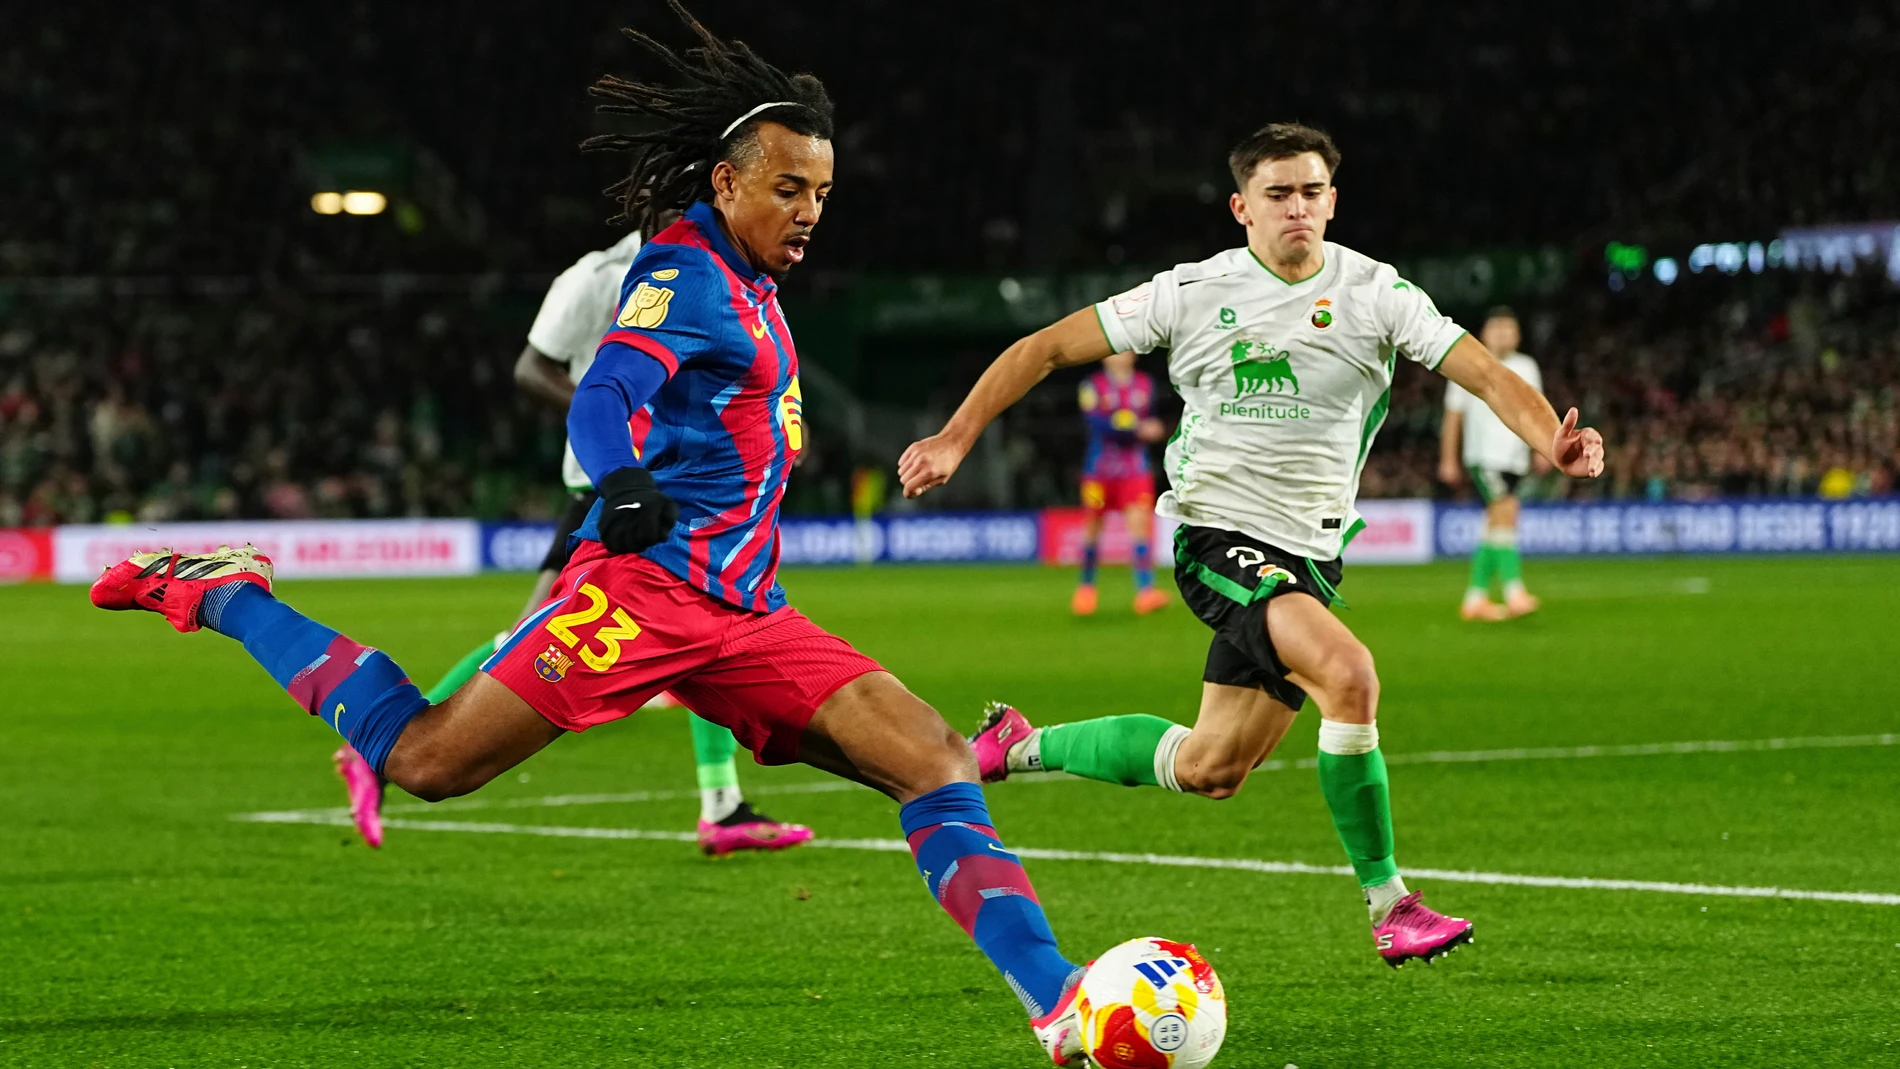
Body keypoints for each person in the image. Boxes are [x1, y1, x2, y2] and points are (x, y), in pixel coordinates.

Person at [92, 6, 1104, 1062]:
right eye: (787, 188)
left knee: (934, 758)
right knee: (429, 760)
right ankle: (221, 590)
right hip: (645, 598)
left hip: (746, 611)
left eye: (821, 194)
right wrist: (620, 475)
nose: (808, 213)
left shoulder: (754, 281)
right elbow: (606, 385)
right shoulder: (684, 275)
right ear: (726, 183)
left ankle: (1058, 1001)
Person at [900, 122, 1604, 969]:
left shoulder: (1379, 293)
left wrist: (1546, 440)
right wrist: (953, 438)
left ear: (1333, 200)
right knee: (1350, 674)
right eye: (1278, 194)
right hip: (1217, 535)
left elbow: (1485, 375)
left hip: (1308, 556)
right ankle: (1392, 904)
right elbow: (1044, 347)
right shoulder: (1191, 292)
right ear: (1242, 207)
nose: (1297, 207)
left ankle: (1016, 742)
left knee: (1210, 765)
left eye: (1312, 191)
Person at [330, 217, 813, 858]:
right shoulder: (594, 279)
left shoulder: (728, 279)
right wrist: (616, 429)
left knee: (705, 617)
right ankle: (387, 743)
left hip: (680, 485)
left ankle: (722, 806)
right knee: (546, 636)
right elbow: (532, 369)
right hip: (609, 488)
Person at [1438, 307, 1547, 620]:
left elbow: (1536, 409)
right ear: (1485, 333)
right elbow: (1453, 415)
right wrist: (1448, 458)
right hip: (1484, 456)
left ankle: (1475, 598)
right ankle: (1514, 592)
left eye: (1508, 328)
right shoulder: (1468, 363)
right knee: (1506, 513)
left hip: (1515, 457)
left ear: (1518, 334)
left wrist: (1542, 448)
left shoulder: (1527, 366)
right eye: (1496, 327)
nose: (1502, 334)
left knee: (1494, 526)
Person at [1071, 350, 1170, 616]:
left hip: (1134, 470)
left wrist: (1149, 427)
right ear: (1104, 356)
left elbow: (1147, 419)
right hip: (1098, 470)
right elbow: (1096, 422)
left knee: (1139, 525)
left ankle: (1146, 591)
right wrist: (1136, 427)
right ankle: (1086, 589)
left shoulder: (1145, 384)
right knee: (1093, 526)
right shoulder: (1092, 386)